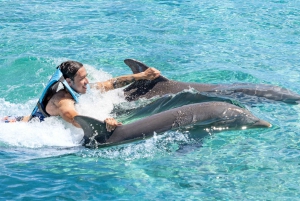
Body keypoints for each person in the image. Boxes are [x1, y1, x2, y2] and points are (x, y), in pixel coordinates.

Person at [2, 60, 160, 132]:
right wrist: (103, 123)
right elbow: (75, 119)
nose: (87, 81)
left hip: (17, 118)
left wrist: (142, 75)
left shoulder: (78, 87)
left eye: (86, 76)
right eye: (82, 78)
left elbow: (110, 83)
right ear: (69, 81)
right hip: (14, 126)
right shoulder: (63, 101)